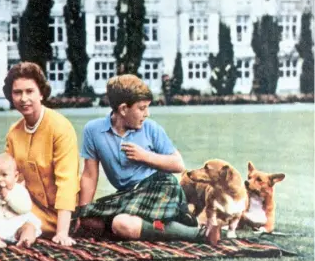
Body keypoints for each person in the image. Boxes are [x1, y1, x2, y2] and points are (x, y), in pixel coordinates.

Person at [74, 74, 216, 244]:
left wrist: (145, 157)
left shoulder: (150, 128)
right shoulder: (93, 130)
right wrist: (83, 212)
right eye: (142, 108)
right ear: (123, 109)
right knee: (90, 223)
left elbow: (178, 165)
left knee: (122, 224)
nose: (147, 114)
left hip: (160, 186)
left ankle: (199, 233)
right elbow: (90, 175)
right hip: (128, 194)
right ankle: (172, 222)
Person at [3, 62, 80, 247]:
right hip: (27, 207)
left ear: (41, 93)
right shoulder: (14, 132)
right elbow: (9, 179)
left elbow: (67, 182)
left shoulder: (60, 127)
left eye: (30, 91)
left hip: (61, 214)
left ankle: (26, 230)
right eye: (17, 92)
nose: (23, 98)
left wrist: (62, 232)